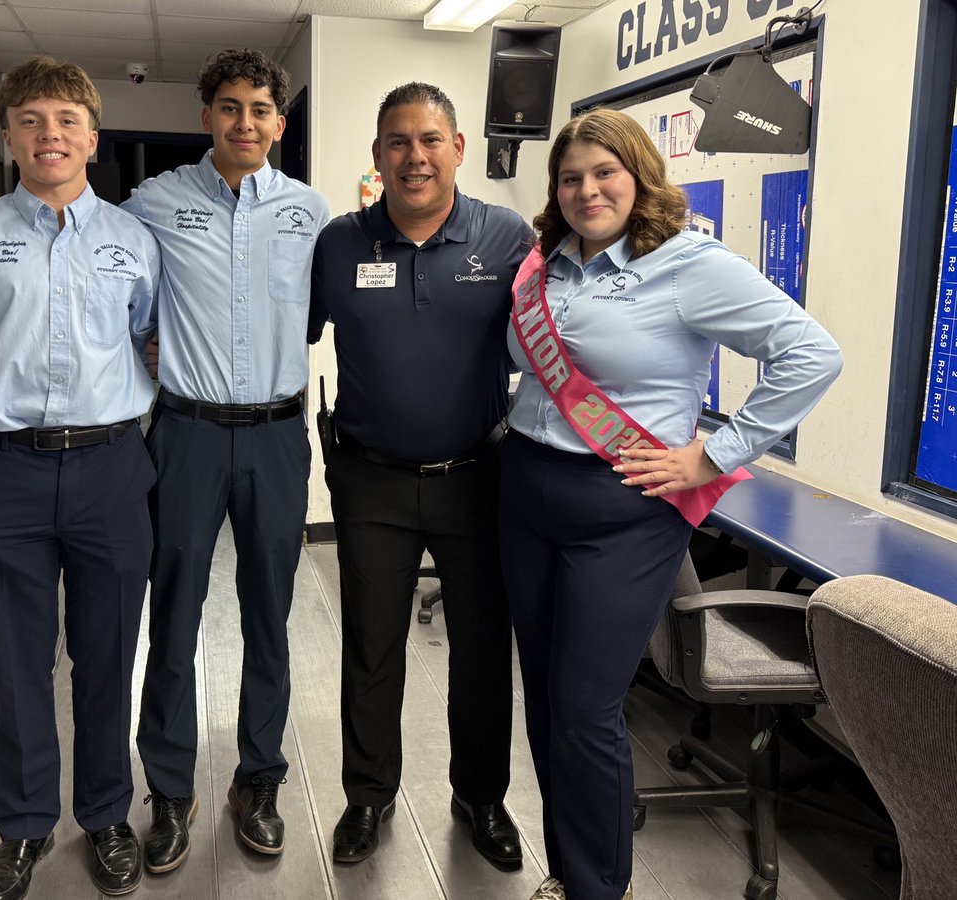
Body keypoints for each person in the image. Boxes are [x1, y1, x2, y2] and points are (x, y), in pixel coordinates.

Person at [501, 107, 843, 900]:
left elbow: (812, 355)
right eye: (572, 177)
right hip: (526, 490)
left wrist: (713, 454)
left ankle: (599, 887)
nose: (588, 190)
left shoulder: (688, 263)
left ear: (640, 175)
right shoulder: (544, 264)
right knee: (549, 700)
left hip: (624, 504)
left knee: (586, 709)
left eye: (605, 173)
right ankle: (569, 869)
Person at [0, 57, 158, 900]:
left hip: (113, 471)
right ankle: (22, 830)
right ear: (8, 135)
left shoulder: (133, 241)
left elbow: (157, 348)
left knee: (106, 656)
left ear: (92, 134)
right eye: (31, 120)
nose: (50, 134)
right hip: (4, 475)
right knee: (18, 667)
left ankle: (108, 814)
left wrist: (132, 428)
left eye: (66, 119)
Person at [308, 83, 533, 867]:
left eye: (430, 140)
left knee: (480, 650)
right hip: (370, 482)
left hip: (479, 477)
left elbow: (570, 331)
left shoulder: (506, 239)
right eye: (398, 142)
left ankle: (482, 798)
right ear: (377, 155)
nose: (415, 156)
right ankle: (367, 799)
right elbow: (280, 333)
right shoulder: (338, 245)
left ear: (459, 149)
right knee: (371, 649)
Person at [119, 49, 329, 871]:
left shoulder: (311, 213)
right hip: (187, 433)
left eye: (262, 109)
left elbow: (321, 314)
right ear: (207, 115)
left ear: (281, 121)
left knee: (267, 615)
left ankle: (260, 780)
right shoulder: (153, 203)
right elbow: (104, 283)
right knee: (171, 614)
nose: (247, 122)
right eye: (231, 107)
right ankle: (169, 790)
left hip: (278, 434)